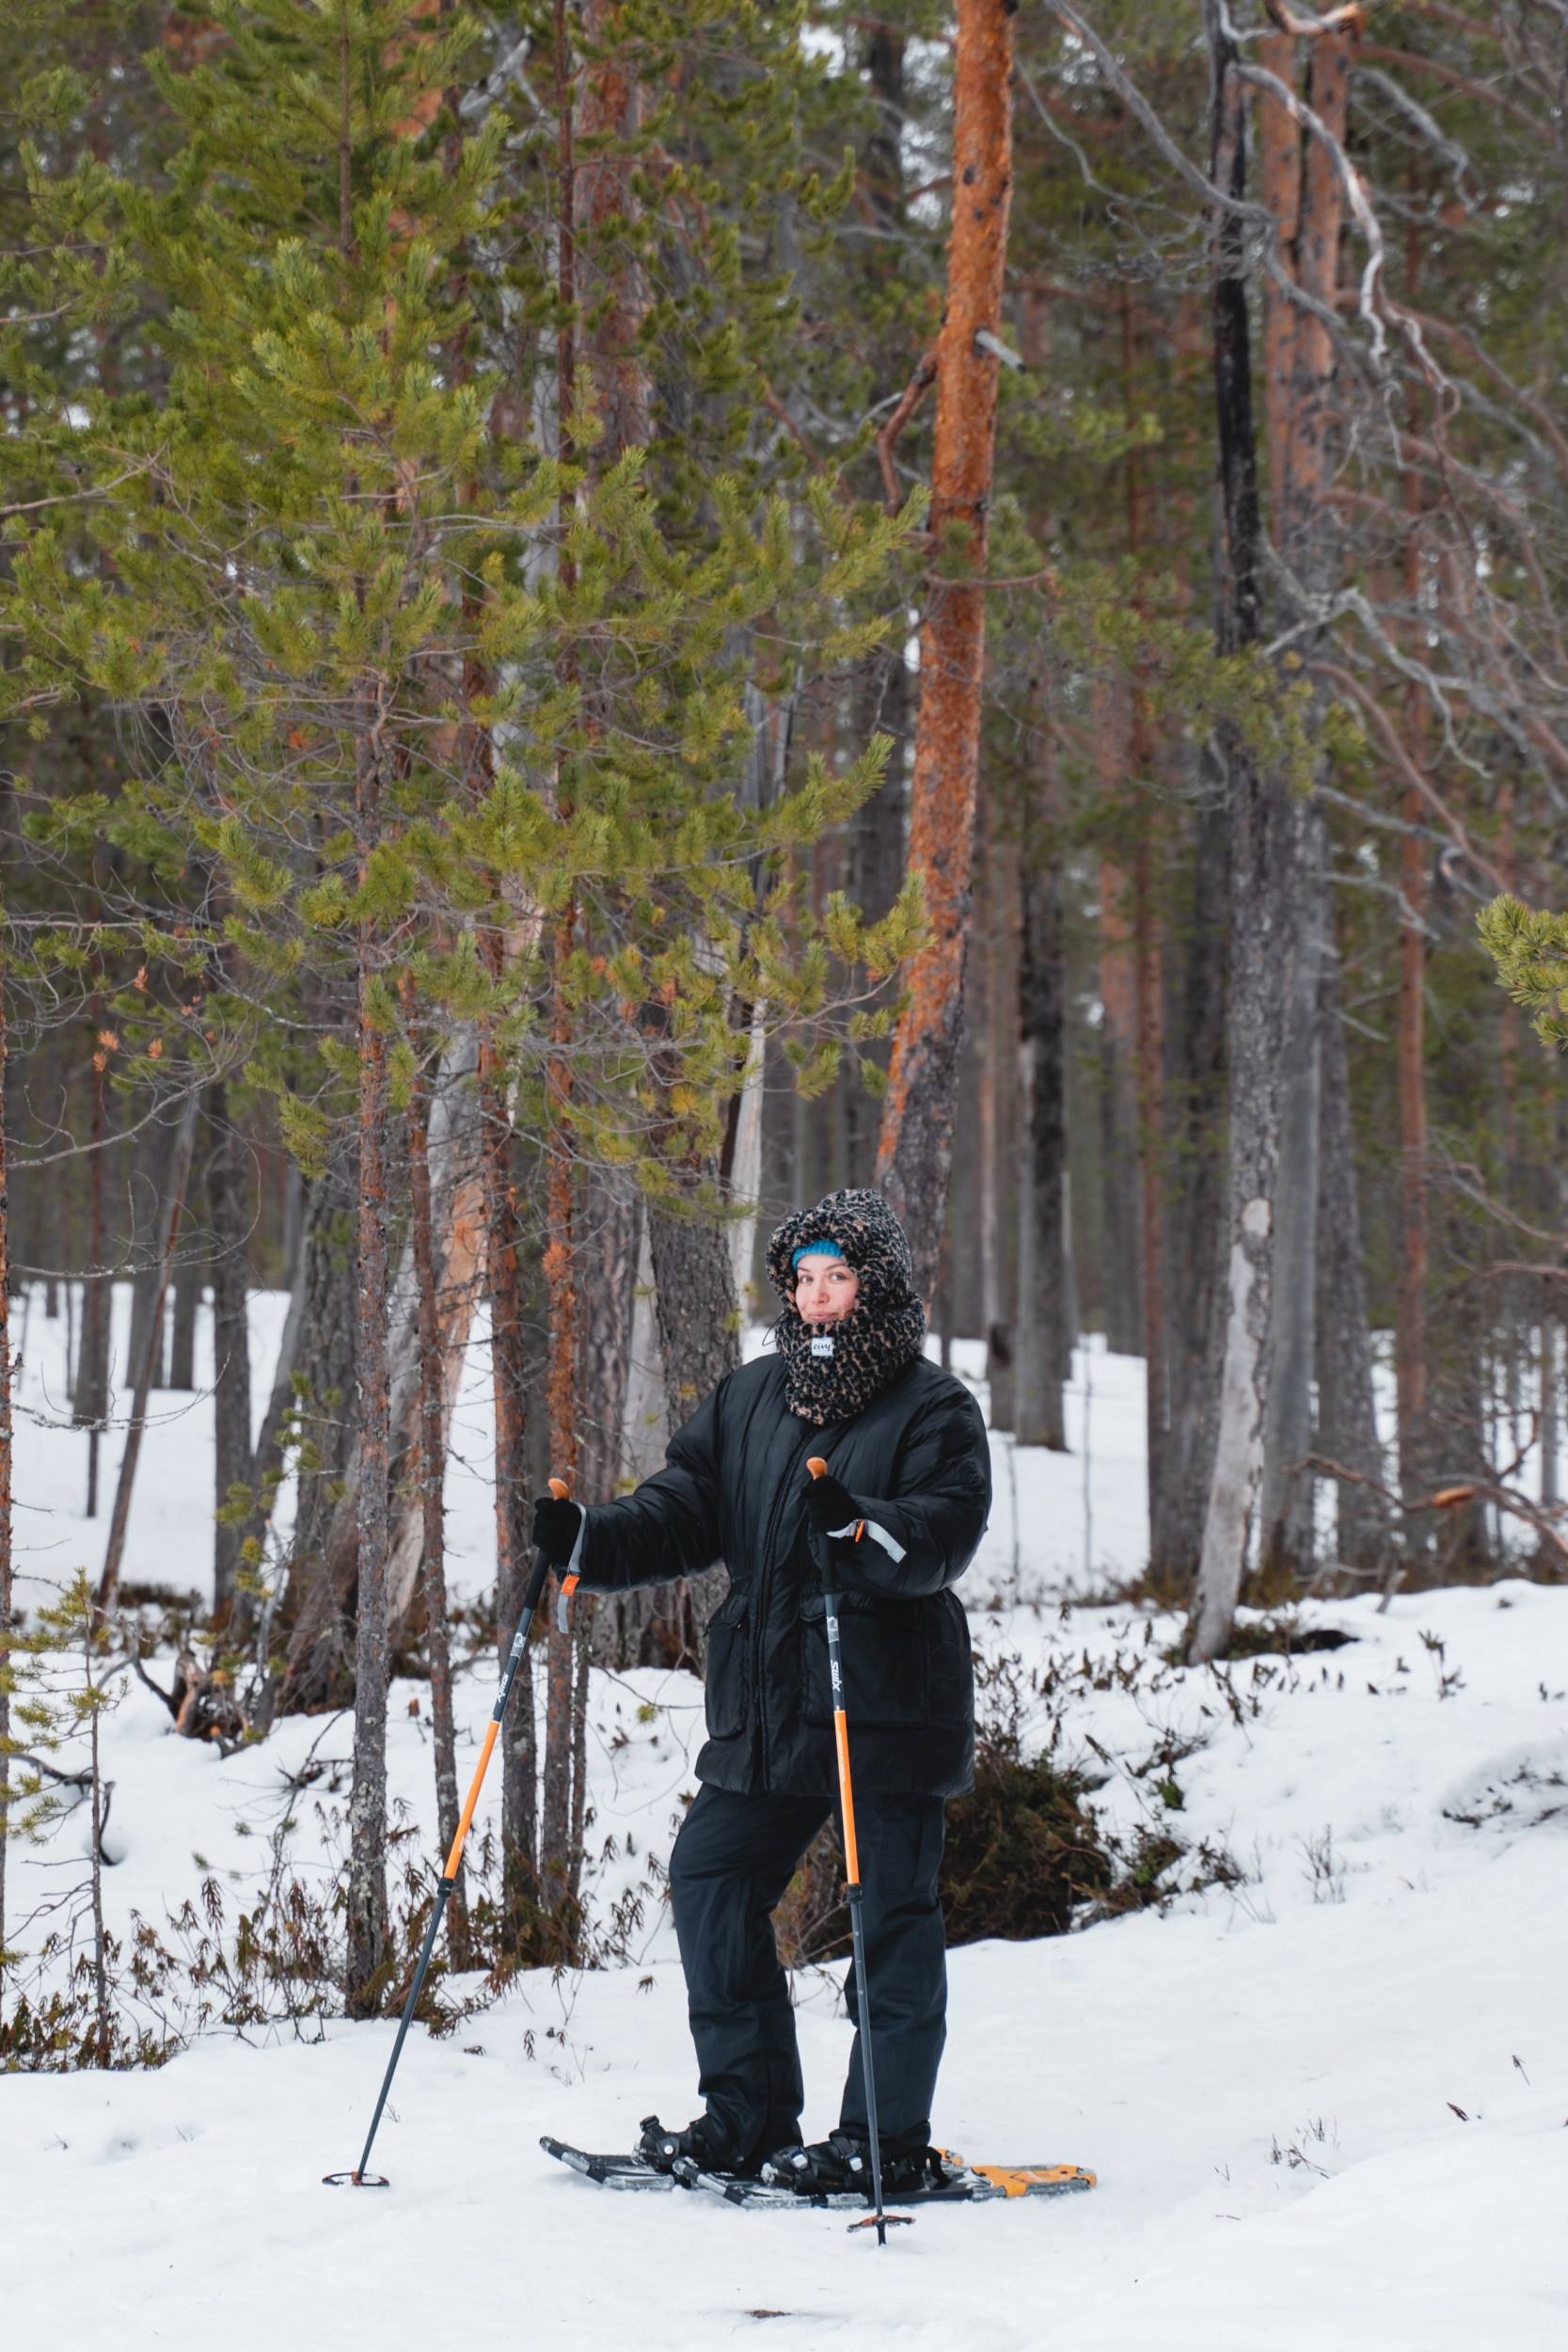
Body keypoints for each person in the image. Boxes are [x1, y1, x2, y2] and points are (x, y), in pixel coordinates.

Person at [531, 1186, 990, 2197]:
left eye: (839, 1277)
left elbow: (940, 1534)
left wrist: (859, 1524)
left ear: (875, 1285)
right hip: (771, 1701)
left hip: (880, 1701)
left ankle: (883, 2139)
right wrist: (588, 1543)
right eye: (804, 1279)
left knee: (888, 1915)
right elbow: (681, 1510)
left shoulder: (933, 1406)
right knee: (710, 1876)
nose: (819, 1298)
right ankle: (745, 2114)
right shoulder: (749, 1397)